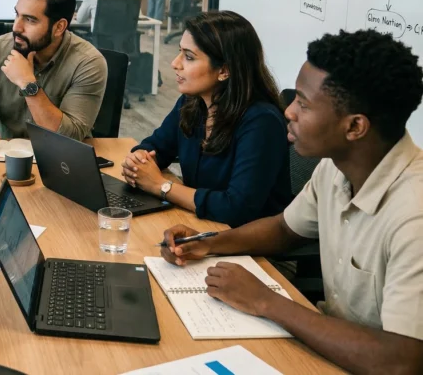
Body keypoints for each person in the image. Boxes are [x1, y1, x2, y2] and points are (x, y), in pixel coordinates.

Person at [160, 29, 423, 374]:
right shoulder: (335, 168)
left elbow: (401, 360)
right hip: (329, 350)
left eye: (303, 102)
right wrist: (207, 243)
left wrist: (266, 301)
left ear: (355, 126)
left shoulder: (413, 215)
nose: (289, 112)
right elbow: (285, 227)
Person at [122, 11, 292, 226]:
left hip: (250, 246)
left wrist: (161, 186)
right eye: (179, 52)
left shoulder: (261, 122)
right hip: (202, 226)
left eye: (189, 57)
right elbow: (156, 146)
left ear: (224, 70)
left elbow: (236, 208)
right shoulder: (193, 103)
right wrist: (138, 162)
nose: (175, 63)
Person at [0, 0, 108, 147]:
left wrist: (27, 83)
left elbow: (70, 137)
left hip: (62, 162)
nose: (16, 27)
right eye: (17, 14)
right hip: (8, 158)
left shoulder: (88, 62)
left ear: (59, 27)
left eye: (30, 20)